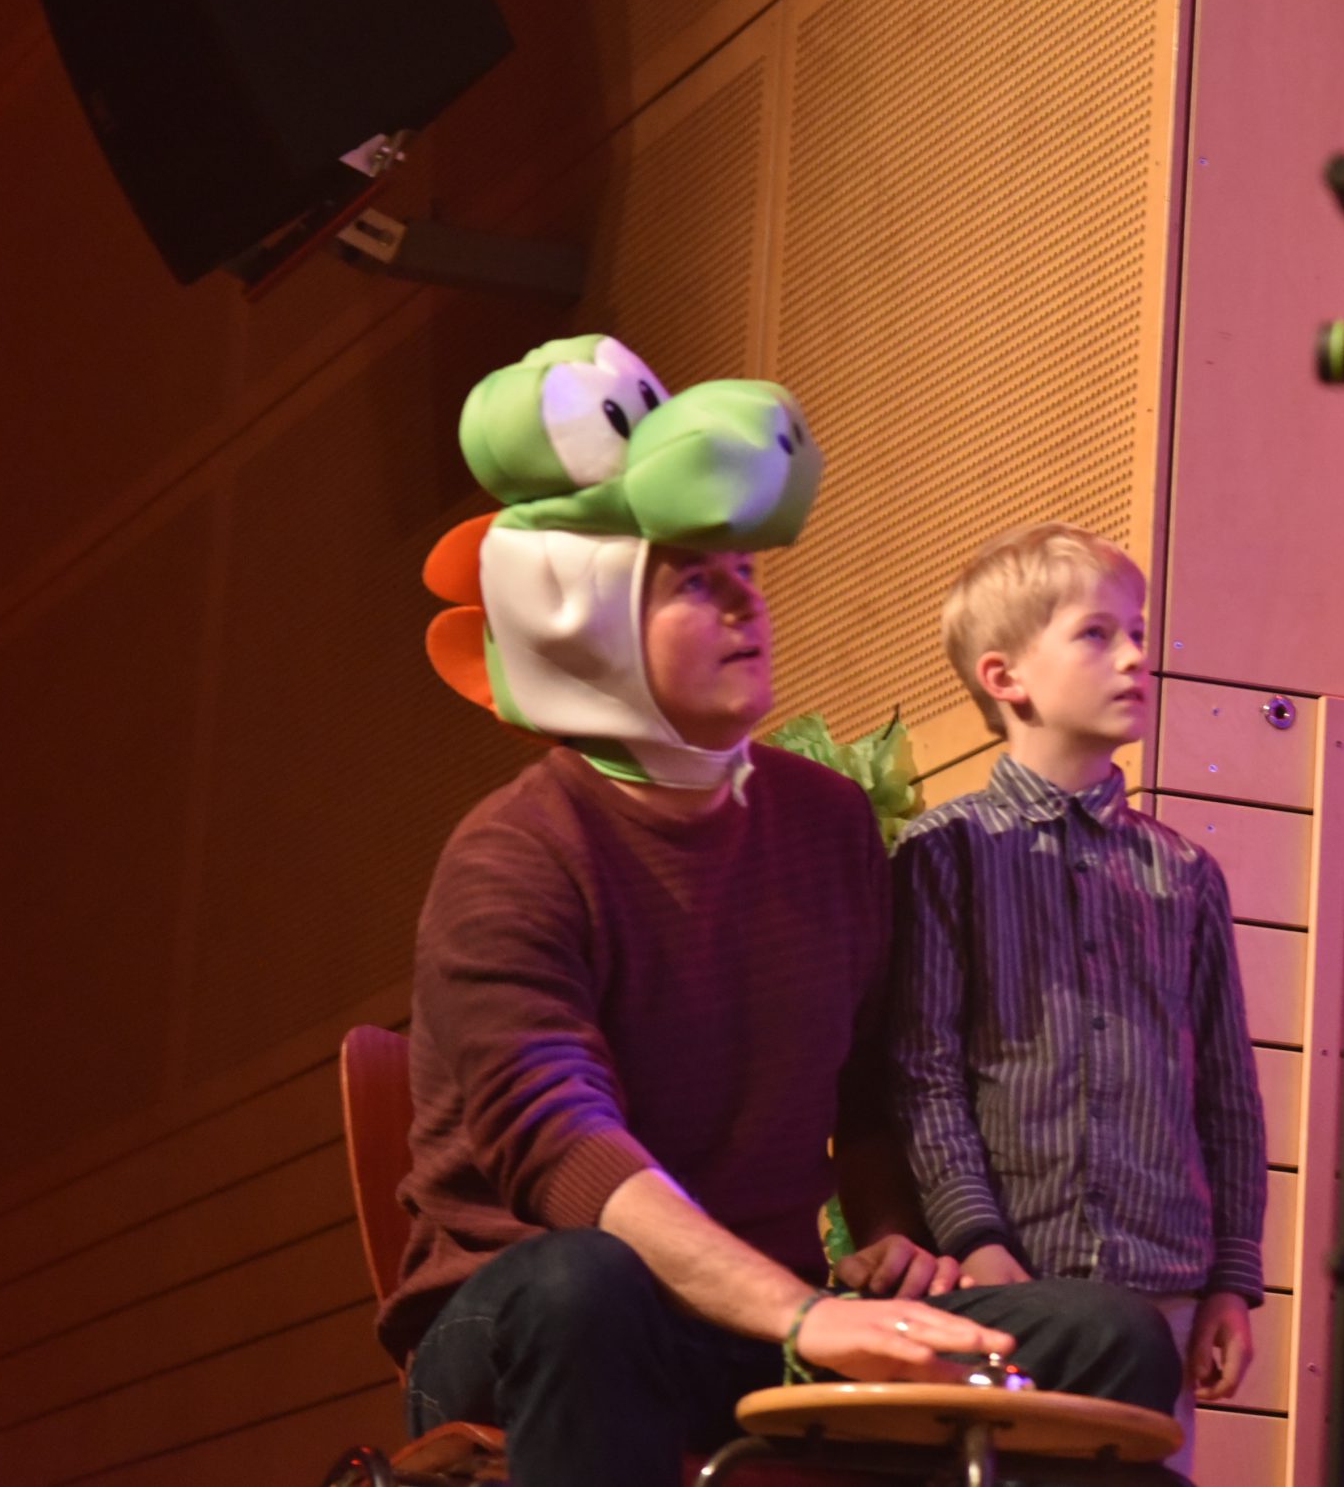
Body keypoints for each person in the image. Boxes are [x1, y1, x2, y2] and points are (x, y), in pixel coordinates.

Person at [383, 343, 1180, 1487]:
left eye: (745, 573)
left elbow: (866, 1090)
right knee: (586, 1279)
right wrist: (801, 1315)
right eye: (691, 583)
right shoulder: (514, 852)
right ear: (586, 623)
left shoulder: (825, 820)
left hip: (753, 1319)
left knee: (1105, 1340)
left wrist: (890, 1237)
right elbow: (564, 1150)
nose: (743, 601)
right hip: (523, 1318)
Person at [890, 521, 1269, 1471]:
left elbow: (1228, 1094)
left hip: (1164, 1281)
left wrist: (1231, 1280)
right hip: (1013, 1275)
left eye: (1137, 631)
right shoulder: (946, 853)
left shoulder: (1185, 872)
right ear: (1005, 676)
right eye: (1096, 634)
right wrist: (976, 1237)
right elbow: (925, 1072)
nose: (1136, 655)